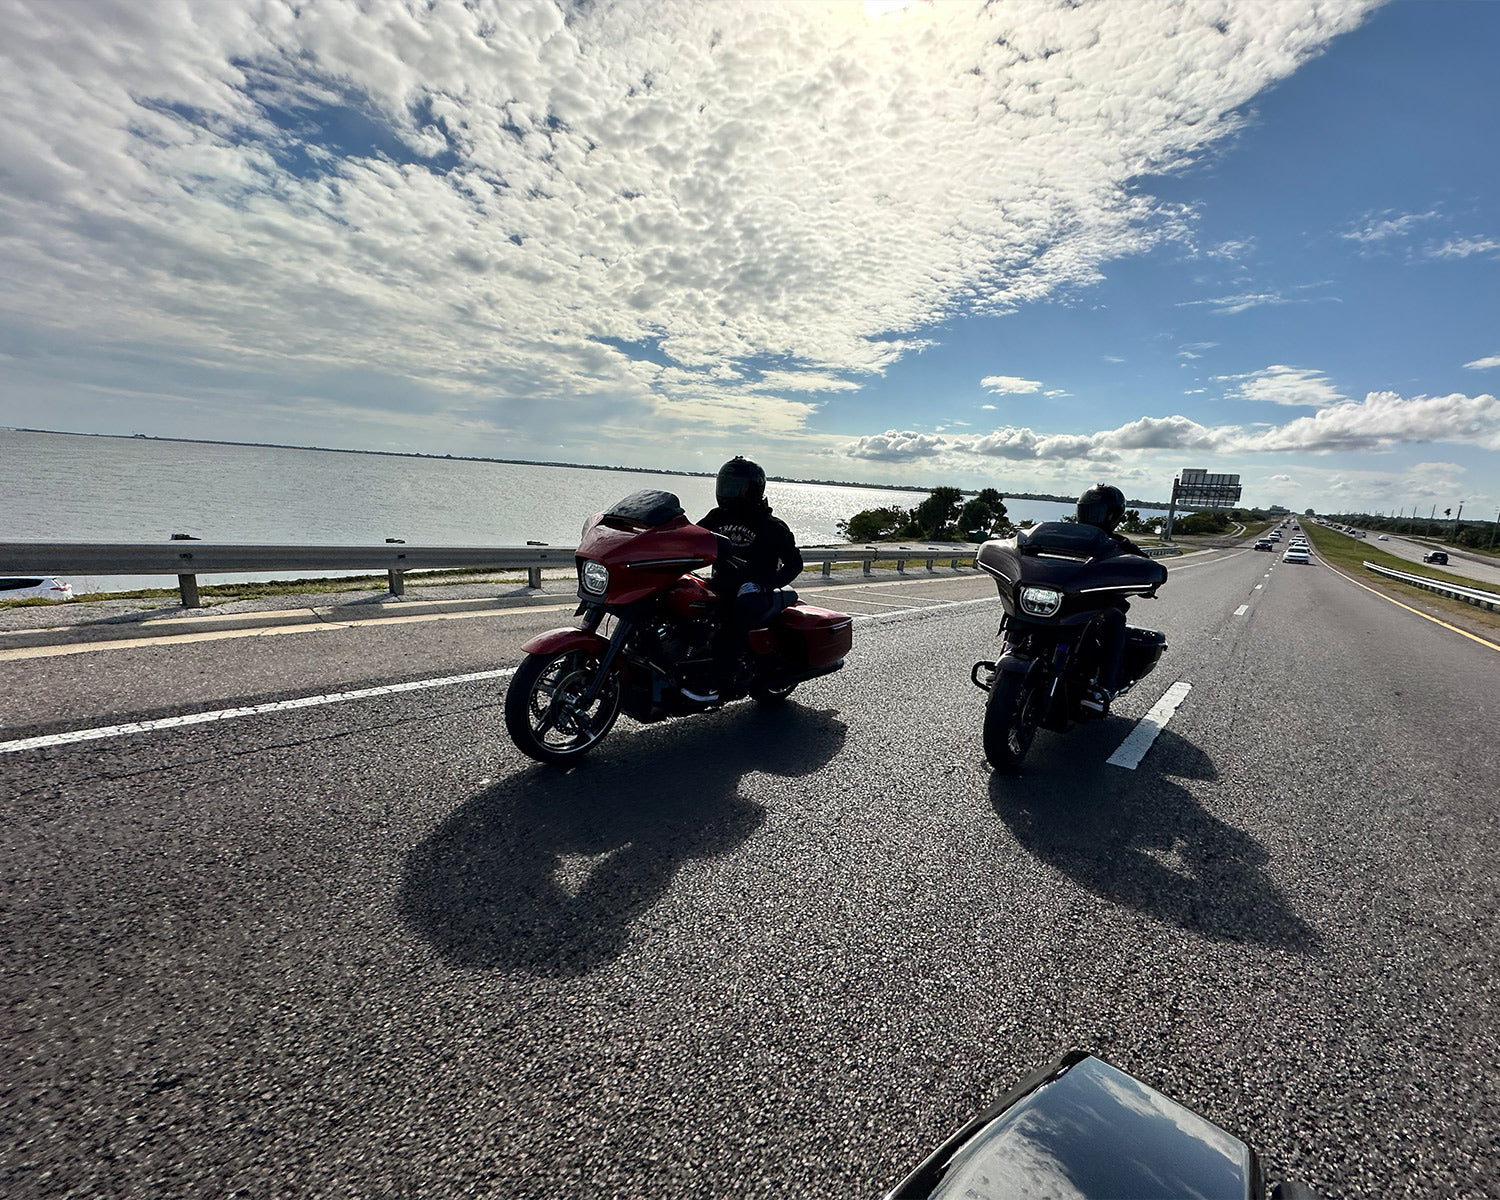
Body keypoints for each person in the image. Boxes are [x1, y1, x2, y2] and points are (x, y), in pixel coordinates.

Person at [686, 456, 803, 702]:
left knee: (733, 620)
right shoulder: (717, 517)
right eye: (725, 484)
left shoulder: (772, 526)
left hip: (753, 591)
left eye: (734, 485)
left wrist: (765, 584)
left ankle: (718, 682)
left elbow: (795, 564)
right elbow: (691, 537)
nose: (728, 491)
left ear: (752, 488)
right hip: (721, 586)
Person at [1073, 483, 1149, 715]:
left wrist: (1148, 579)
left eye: (1098, 512)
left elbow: (1145, 565)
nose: (1092, 517)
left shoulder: (1122, 546)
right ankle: (1012, 650)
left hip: (1099, 608)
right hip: (1064, 602)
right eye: (1089, 510)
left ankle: (1103, 687)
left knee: (1114, 620)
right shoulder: (1064, 536)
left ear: (1113, 516)